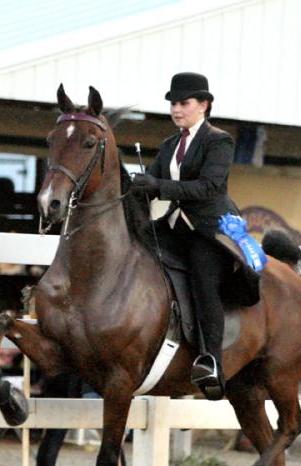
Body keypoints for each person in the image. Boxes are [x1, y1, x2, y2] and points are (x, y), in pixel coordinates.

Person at [131, 72, 245, 399]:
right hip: (177, 225)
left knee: (203, 283)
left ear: (203, 105)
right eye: (173, 104)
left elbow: (209, 187)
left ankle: (212, 363)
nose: (176, 109)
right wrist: (136, 186)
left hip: (208, 230)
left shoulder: (218, 140)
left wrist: (159, 187)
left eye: (183, 103)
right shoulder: (170, 145)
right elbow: (152, 181)